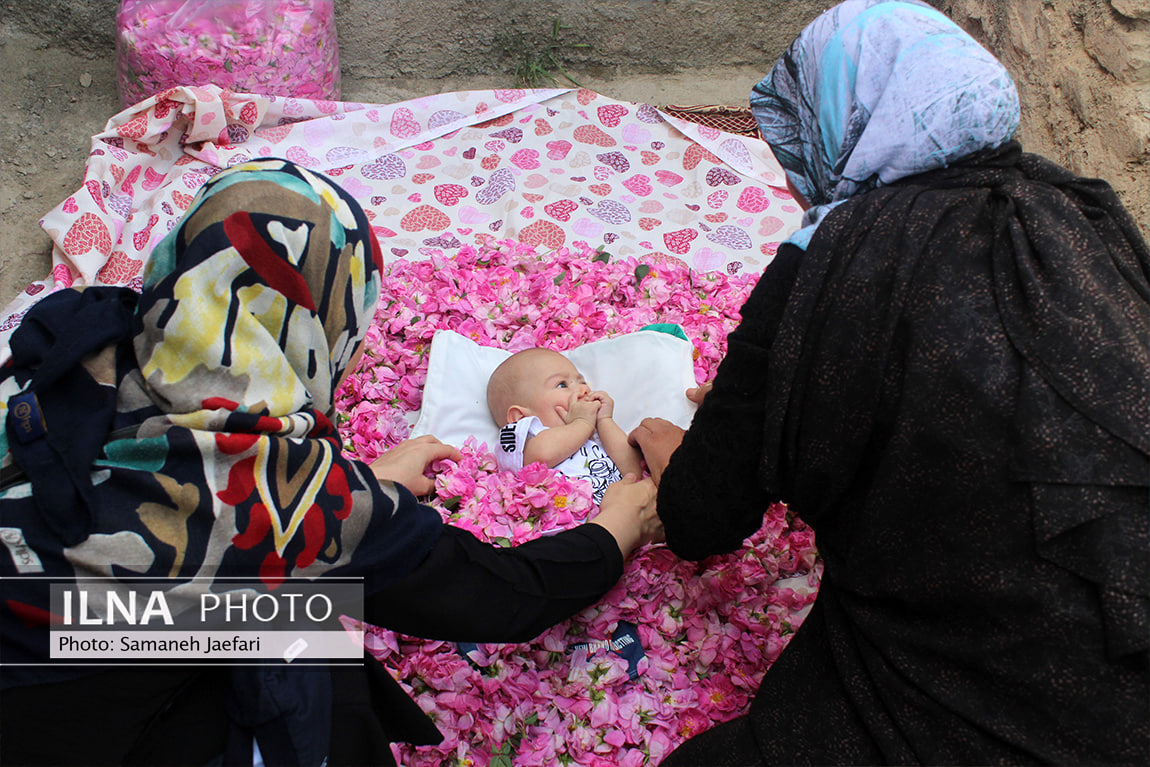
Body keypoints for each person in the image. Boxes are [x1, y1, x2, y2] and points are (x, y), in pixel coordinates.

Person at [0, 158, 661, 766]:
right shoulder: (275, 484)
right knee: (304, 646)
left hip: (50, 618)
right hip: (48, 706)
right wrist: (614, 532)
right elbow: (497, 596)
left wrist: (362, 488)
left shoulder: (79, 334)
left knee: (277, 599)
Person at [628, 1, 1149, 764]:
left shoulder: (829, 264)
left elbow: (703, 518)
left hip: (976, 696)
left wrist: (673, 444)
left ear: (845, 122)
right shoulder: (1082, 216)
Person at [487, 347, 643, 505]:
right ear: (520, 418)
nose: (584, 389)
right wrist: (582, 423)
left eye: (582, 382)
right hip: (577, 524)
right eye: (562, 385)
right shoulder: (525, 438)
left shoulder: (596, 433)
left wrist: (605, 420)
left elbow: (633, 470)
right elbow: (540, 457)